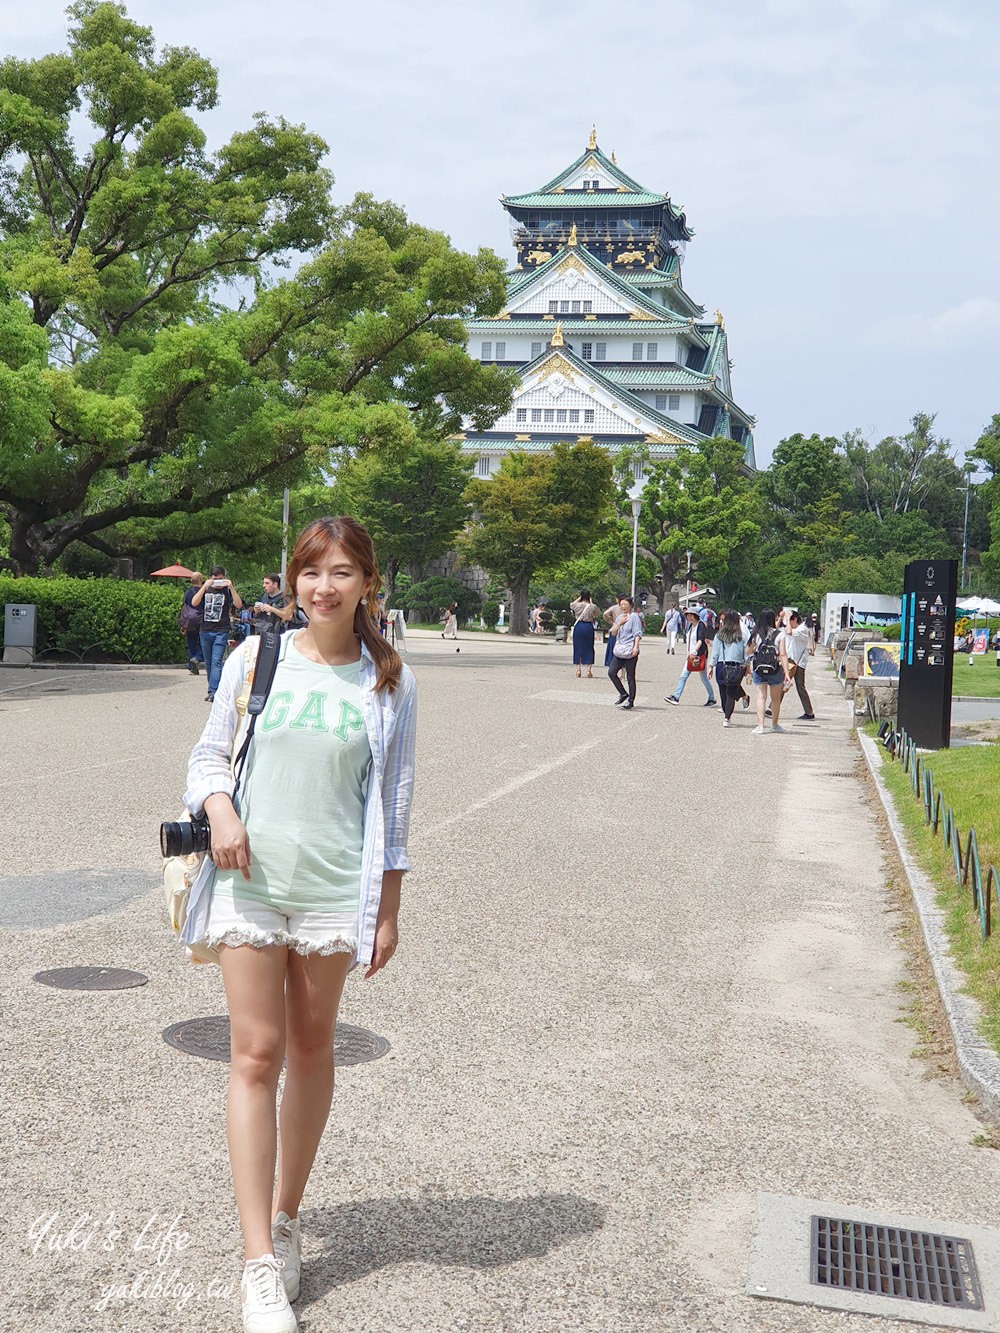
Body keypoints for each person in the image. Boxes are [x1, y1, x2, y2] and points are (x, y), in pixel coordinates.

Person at [181, 516, 416, 1333]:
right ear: (291, 580)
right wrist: (219, 810)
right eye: (312, 572)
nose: (325, 587)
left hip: (329, 893)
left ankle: (286, 1220)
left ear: (367, 584)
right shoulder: (258, 655)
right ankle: (257, 1265)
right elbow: (208, 756)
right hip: (250, 883)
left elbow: (394, 802)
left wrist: (387, 907)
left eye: (343, 572)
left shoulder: (390, 681)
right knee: (255, 1053)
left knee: (313, 1048)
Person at [192, 566, 244, 703]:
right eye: (215, 579)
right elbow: (194, 602)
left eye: (220, 579)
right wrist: (204, 587)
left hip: (221, 630)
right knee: (209, 662)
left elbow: (238, 605)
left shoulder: (227, 590)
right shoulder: (206, 588)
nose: (218, 582)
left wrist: (231, 587)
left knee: (216, 661)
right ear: (210, 578)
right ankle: (213, 688)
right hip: (205, 629)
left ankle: (214, 691)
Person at [748, 607, 791, 734]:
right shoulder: (779, 634)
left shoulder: (756, 633)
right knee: (775, 699)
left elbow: (748, 651)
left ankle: (760, 726)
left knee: (761, 697)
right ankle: (774, 725)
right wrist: (787, 673)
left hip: (759, 668)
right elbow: (783, 654)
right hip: (775, 669)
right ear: (773, 619)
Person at [665, 607, 716, 707]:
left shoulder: (700, 625)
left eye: (691, 615)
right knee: (685, 676)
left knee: (700, 678)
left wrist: (694, 651)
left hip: (697, 656)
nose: (689, 617)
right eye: (687, 615)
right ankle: (676, 696)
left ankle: (711, 698)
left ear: (696, 615)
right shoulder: (690, 626)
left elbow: (700, 640)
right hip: (691, 655)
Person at [708, 608, 748, 728]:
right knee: (731, 692)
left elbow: (715, 653)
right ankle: (727, 717)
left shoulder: (719, 635)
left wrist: (710, 666)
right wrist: (747, 666)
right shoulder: (741, 636)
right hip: (736, 666)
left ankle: (726, 713)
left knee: (722, 691)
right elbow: (745, 653)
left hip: (721, 665)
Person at [608, 595, 643, 709]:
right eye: (621, 604)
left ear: (631, 606)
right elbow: (613, 633)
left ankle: (631, 700)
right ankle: (623, 693)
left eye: (625, 605)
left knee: (630, 676)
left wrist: (636, 647)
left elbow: (637, 633)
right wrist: (618, 624)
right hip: (619, 650)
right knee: (612, 672)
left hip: (630, 649)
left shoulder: (634, 617)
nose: (623, 606)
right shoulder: (619, 618)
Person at [780, 610, 816, 719]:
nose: (788, 625)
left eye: (789, 622)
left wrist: (786, 618)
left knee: (791, 686)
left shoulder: (802, 629)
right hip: (794, 661)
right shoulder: (800, 628)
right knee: (787, 685)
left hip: (798, 663)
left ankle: (772, 708)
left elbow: (790, 632)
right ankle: (809, 712)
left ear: (795, 619)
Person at [569, 588, 601, 678]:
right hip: (588, 626)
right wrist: (591, 601)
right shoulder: (592, 606)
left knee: (577, 647)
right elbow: (597, 613)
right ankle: (588, 670)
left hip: (578, 626)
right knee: (589, 647)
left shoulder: (577, 605)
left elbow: (571, 604)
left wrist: (579, 598)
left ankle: (578, 669)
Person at [179, 572, 205, 675]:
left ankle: (191, 666)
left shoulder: (187, 592)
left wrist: (182, 623)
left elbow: (183, 608)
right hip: (202, 620)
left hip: (189, 621)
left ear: (191, 580)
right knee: (205, 643)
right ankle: (197, 658)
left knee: (191, 644)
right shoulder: (204, 592)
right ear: (201, 580)